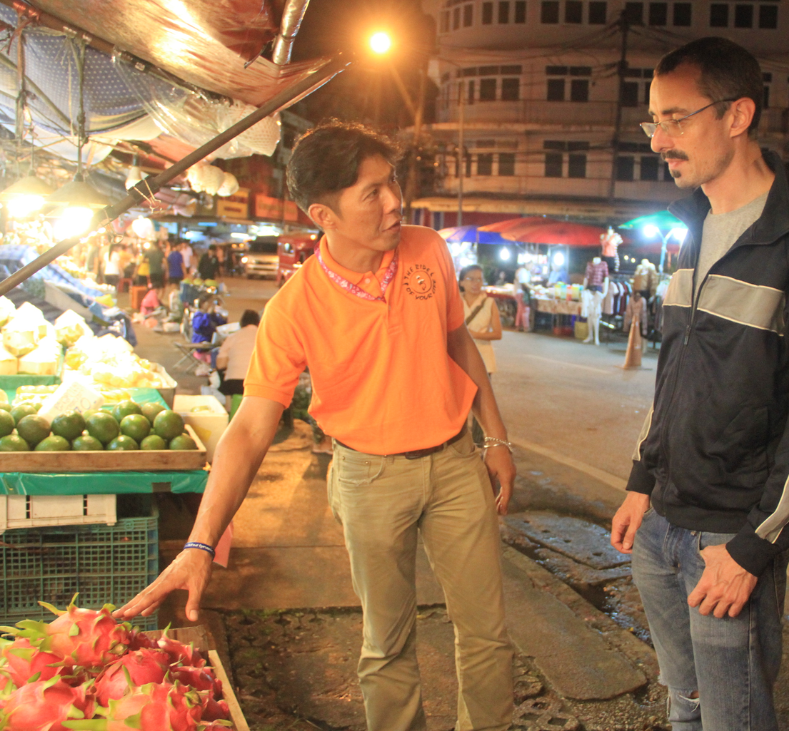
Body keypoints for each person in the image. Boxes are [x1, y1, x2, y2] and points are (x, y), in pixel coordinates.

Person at [116, 121, 516, 731]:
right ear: (323, 214)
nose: (394, 203)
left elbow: (457, 339)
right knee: (387, 645)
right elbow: (249, 429)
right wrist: (200, 542)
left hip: (457, 464)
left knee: (487, 635)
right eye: (372, 193)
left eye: (392, 184)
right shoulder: (294, 308)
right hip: (369, 480)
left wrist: (497, 438)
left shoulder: (428, 249)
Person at [610, 37, 789, 731]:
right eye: (652, 121)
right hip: (659, 521)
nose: (659, 140)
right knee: (680, 702)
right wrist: (640, 478)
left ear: (737, 113)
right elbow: (674, 373)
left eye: (676, 119)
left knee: (733, 719)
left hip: (728, 536)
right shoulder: (689, 221)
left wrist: (754, 545)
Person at [460, 264, 502, 445]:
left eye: (479, 279)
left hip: (484, 359)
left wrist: (475, 334)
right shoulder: (453, 300)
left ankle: (479, 444)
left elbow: (497, 333)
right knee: (458, 402)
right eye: (471, 279)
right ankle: (457, 441)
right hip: (458, 357)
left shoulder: (489, 303)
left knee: (481, 404)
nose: (476, 283)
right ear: (461, 282)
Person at [215, 309, 259, 397]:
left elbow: (220, 365)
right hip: (257, 384)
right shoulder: (264, 337)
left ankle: (229, 407)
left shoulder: (232, 337)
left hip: (233, 383)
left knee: (224, 380)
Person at [514, 262, 530, 331]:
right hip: (521, 293)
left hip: (518, 292)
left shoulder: (520, 271)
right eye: (531, 265)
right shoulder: (523, 271)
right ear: (527, 264)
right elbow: (524, 283)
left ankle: (518, 326)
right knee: (525, 310)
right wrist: (533, 288)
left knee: (520, 310)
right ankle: (526, 326)